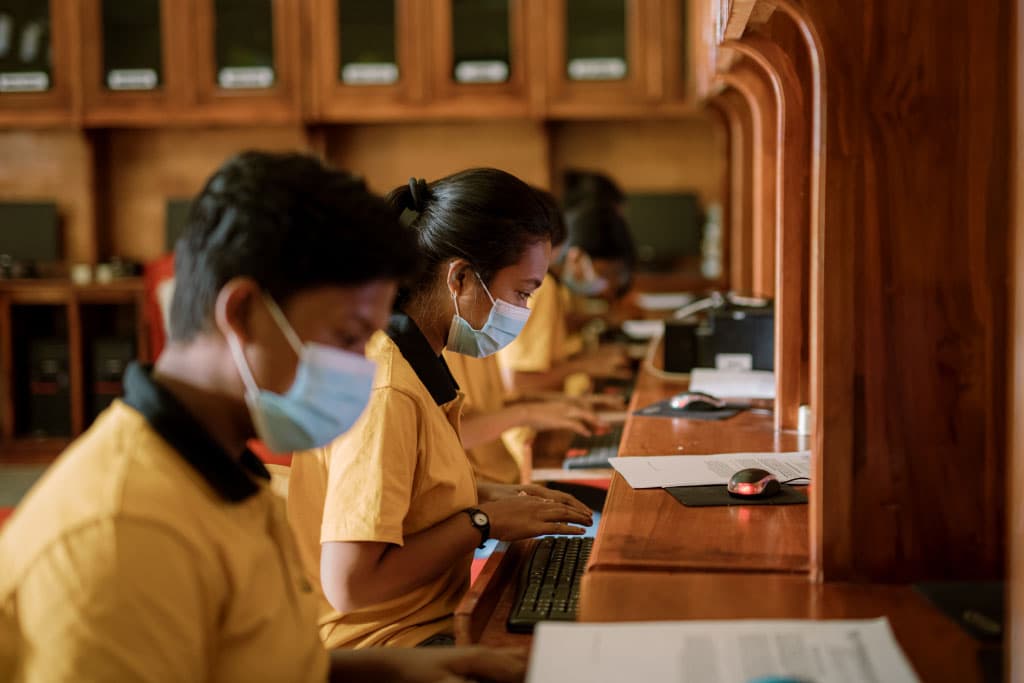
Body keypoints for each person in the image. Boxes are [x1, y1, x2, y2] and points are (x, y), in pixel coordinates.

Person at [0, 152, 527, 683]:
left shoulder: (224, 472)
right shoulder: (121, 535)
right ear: (242, 314)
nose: (362, 369)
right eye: (347, 338)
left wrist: (400, 668)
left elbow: (259, 663)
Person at [287, 169, 593, 649]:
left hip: (429, 619)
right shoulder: (387, 390)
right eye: (521, 293)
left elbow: (411, 494)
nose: (524, 311)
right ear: (461, 277)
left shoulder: (416, 359)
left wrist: (493, 495)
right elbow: (349, 584)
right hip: (385, 644)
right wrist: (483, 523)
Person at [499, 197, 637, 395]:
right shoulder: (542, 288)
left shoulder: (557, 287)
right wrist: (586, 364)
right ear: (577, 257)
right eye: (607, 273)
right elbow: (518, 383)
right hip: (532, 422)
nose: (609, 285)